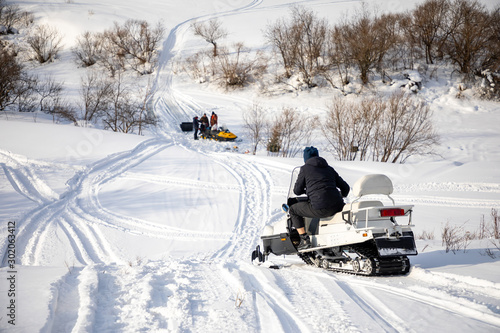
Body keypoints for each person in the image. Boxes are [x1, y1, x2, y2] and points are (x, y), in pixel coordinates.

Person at [289, 146, 350, 250]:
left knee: (293, 210)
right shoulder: (329, 169)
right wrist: (340, 195)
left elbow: (297, 191)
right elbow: (346, 188)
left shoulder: (305, 169)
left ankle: (304, 239)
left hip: (321, 208)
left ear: (305, 158)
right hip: (338, 206)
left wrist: (307, 190)